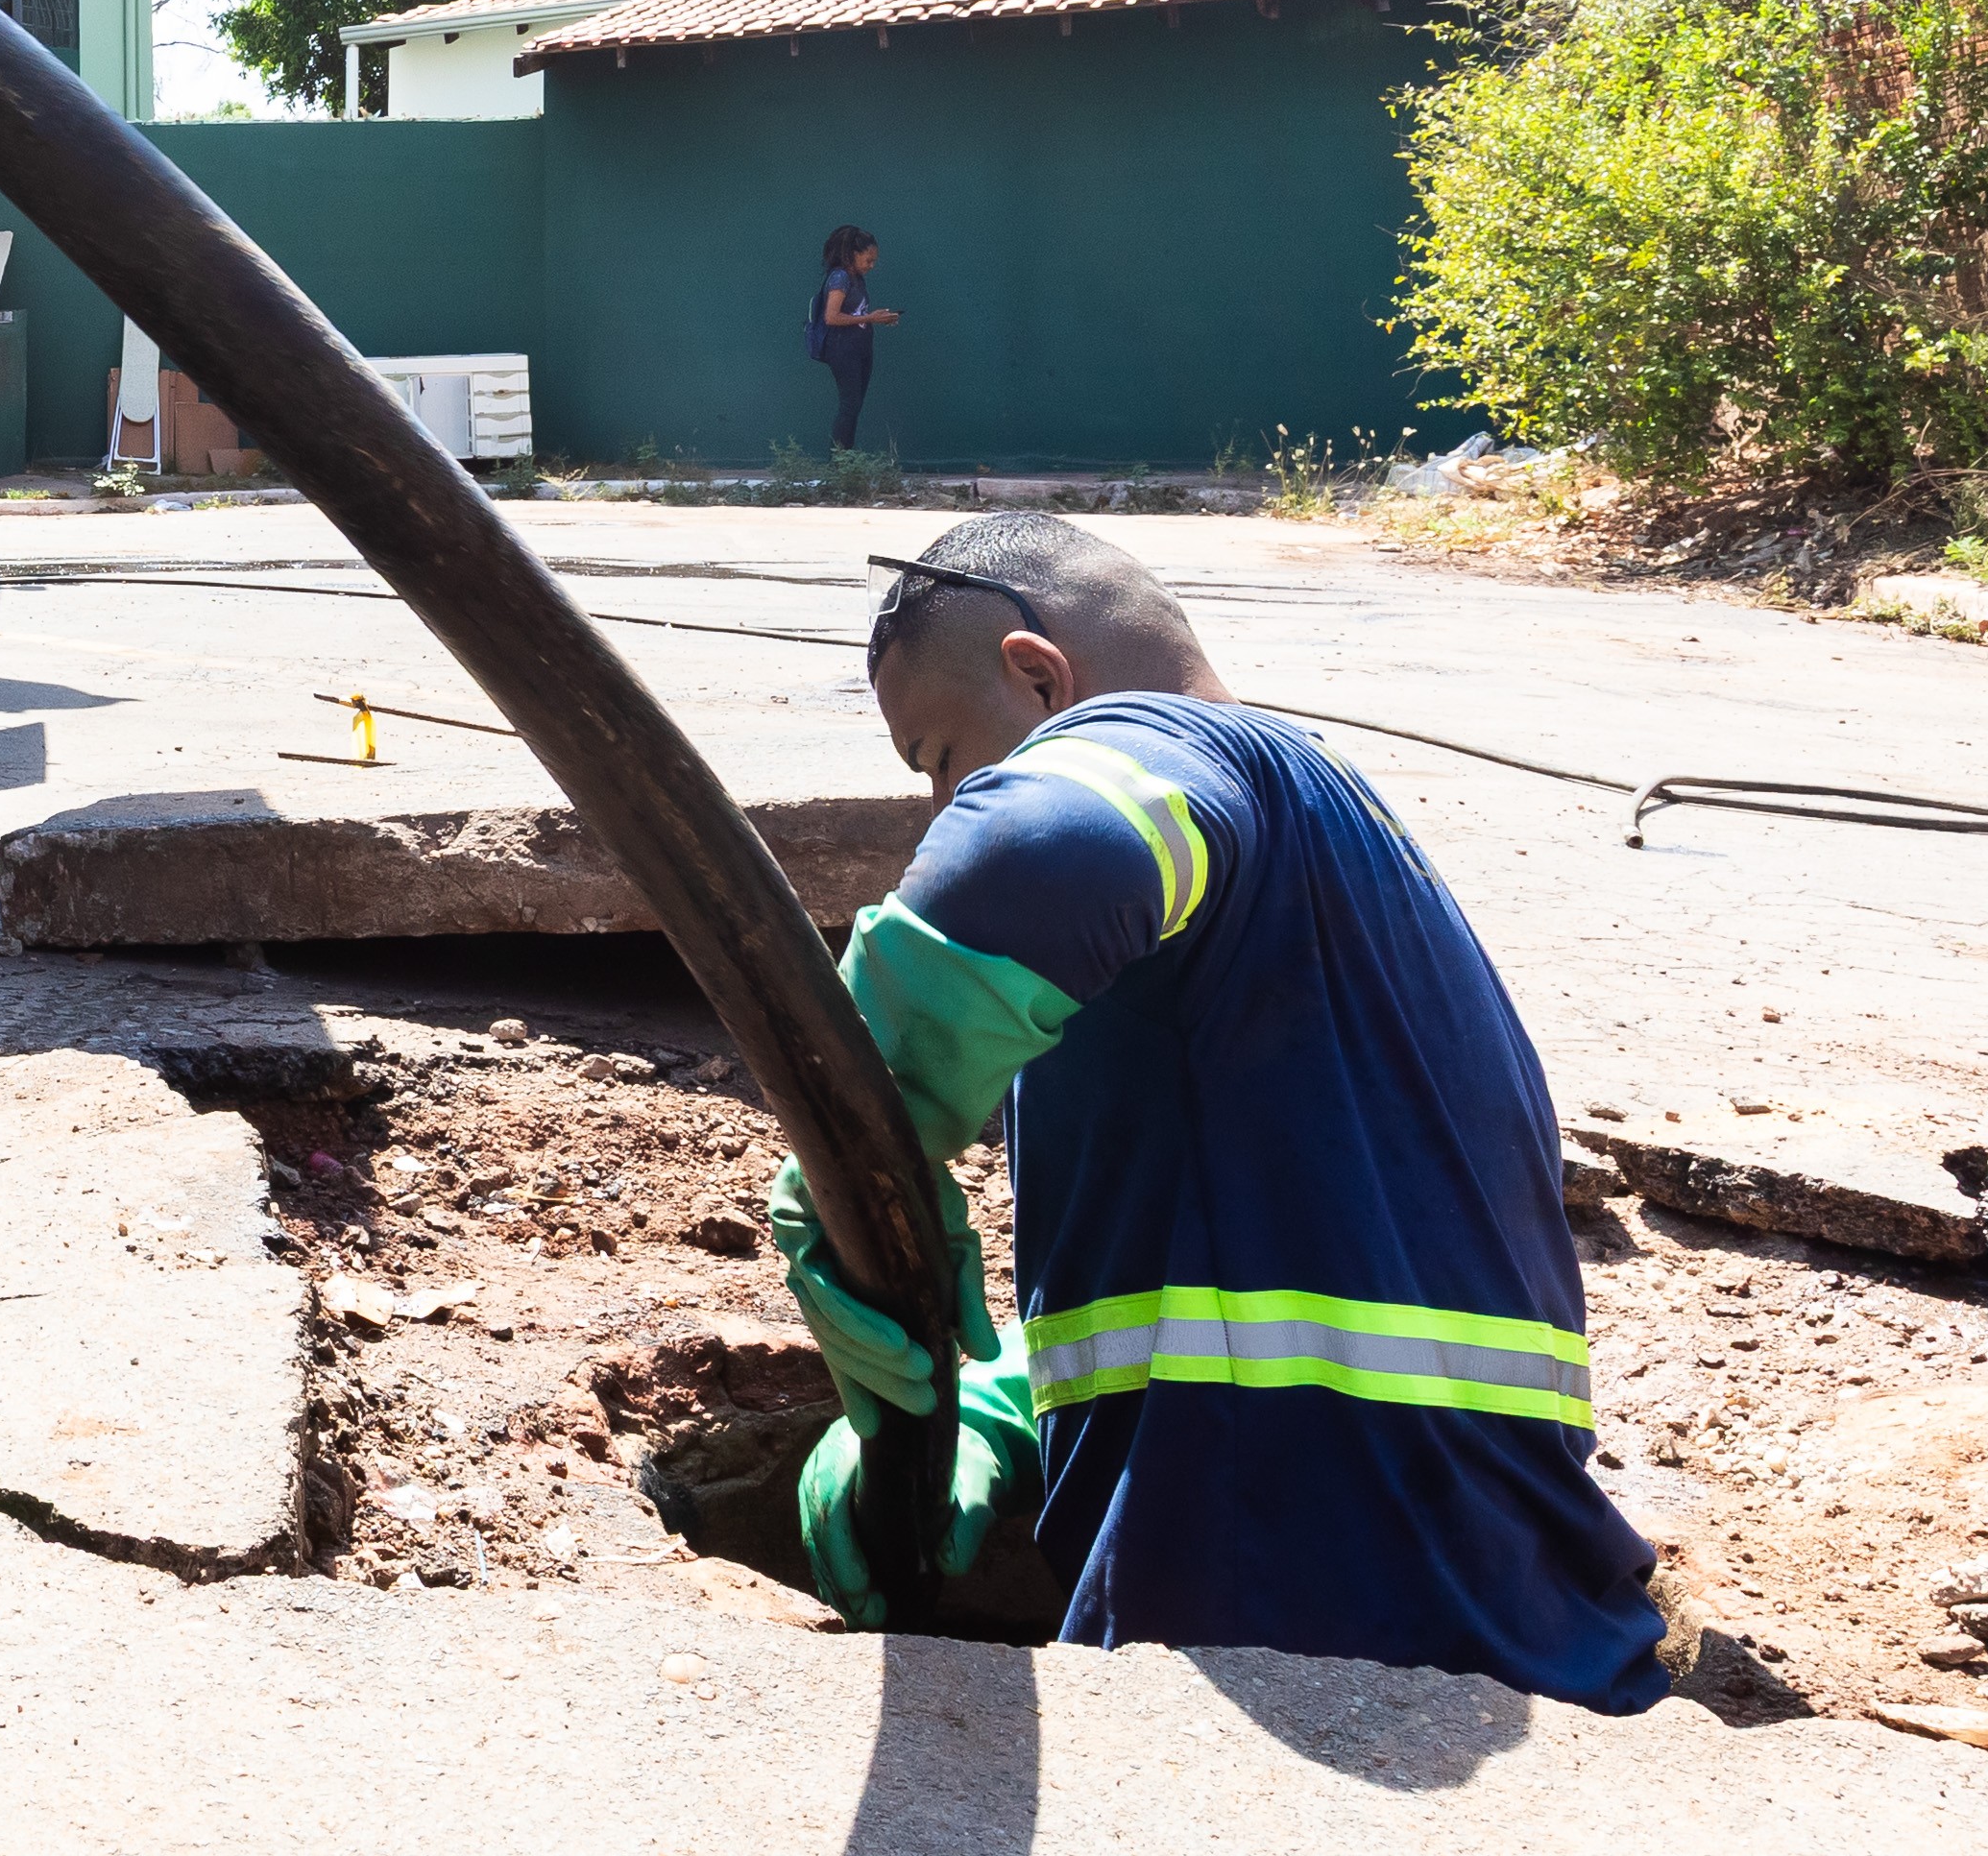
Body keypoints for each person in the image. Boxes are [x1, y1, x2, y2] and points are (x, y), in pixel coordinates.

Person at [708, 512, 1670, 1708]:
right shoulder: (1318, 843)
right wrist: (1011, 1405)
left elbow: (1050, 834)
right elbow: (1272, 1238)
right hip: (1480, 1584)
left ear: (1036, 671)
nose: (944, 806)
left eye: (943, 758)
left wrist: (846, 1151)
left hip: (1300, 1581)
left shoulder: (1158, 750)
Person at [806, 223, 900, 452]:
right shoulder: (840, 278)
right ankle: (838, 464)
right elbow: (831, 317)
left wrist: (878, 319)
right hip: (843, 350)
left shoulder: (856, 278)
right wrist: (871, 318)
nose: (871, 265)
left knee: (854, 406)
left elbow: (857, 314)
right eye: (868, 260)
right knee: (849, 406)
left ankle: (846, 460)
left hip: (860, 349)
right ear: (853, 254)